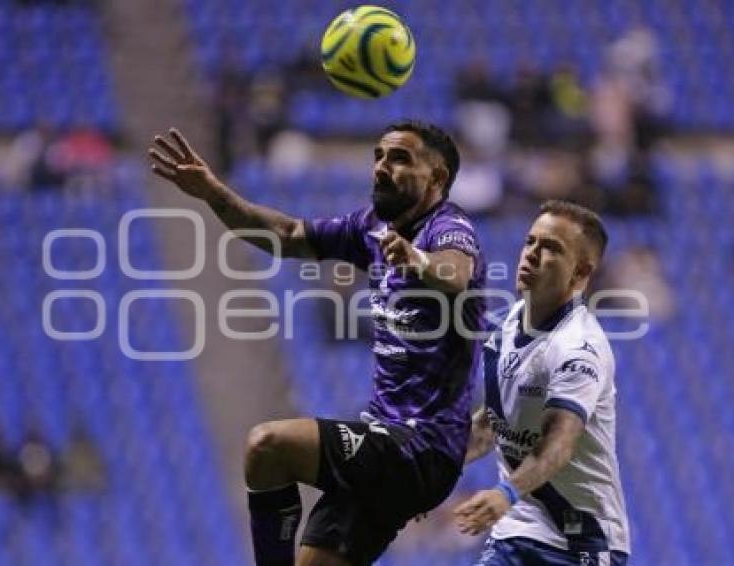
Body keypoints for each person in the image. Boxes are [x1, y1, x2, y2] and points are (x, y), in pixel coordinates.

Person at [149, 120, 487, 566]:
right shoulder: (372, 229)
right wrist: (214, 193)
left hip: (420, 447)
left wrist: (416, 258)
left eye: (400, 158)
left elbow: (455, 273)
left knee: (269, 447)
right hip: (384, 444)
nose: (382, 167)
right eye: (379, 157)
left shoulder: (448, 227)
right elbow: (287, 236)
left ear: (438, 177)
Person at [453, 200, 630, 564]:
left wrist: (506, 493)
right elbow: (489, 427)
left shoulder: (578, 348)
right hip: (516, 531)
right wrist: (430, 476)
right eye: (531, 241)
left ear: (580, 273)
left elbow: (560, 443)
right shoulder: (508, 327)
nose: (532, 254)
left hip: (581, 540)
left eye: (551, 248)